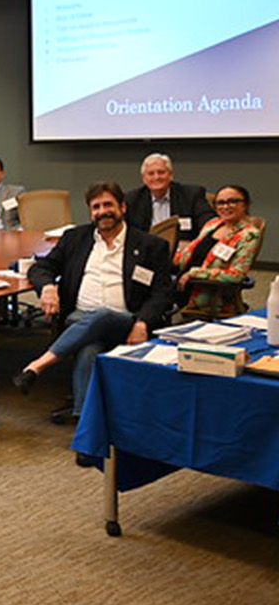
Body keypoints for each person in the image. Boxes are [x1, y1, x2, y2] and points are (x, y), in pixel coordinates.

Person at [16, 181, 174, 425]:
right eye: (96, 207)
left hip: (127, 322)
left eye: (108, 205)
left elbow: (162, 293)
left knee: (101, 323)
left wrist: (142, 322)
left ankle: (39, 367)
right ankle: (86, 426)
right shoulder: (75, 238)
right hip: (78, 318)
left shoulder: (150, 245)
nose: (102, 211)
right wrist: (47, 287)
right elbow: (41, 267)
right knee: (92, 341)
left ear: (122, 207)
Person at [172, 184, 262, 317]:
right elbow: (190, 253)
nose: (226, 206)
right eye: (220, 203)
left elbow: (236, 275)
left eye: (233, 201)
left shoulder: (248, 235)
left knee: (154, 300)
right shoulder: (213, 224)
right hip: (181, 280)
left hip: (205, 291)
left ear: (245, 204)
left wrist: (194, 274)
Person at [124, 153, 215, 244]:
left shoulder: (191, 195)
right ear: (144, 179)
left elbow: (209, 223)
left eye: (161, 172)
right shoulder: (132, 200)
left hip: (182, 253)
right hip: (146, 253)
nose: (157, 177)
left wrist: (193, 246)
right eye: (151, 174)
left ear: (171, 175)